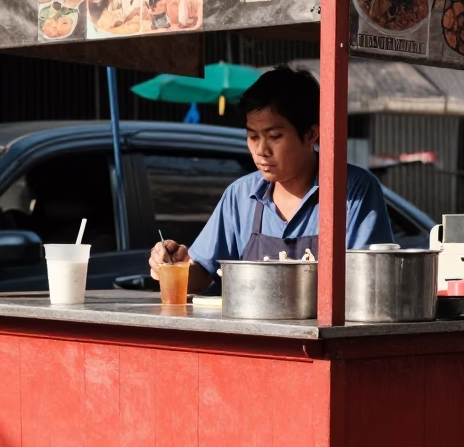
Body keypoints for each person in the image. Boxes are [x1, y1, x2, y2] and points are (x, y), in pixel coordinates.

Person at [149, 66, 394, 292]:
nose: (261, 150)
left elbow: (369, 283)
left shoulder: (353, 191)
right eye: (253, 137)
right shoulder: (239, 196)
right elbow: (202, 274)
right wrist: (174, 267)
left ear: (311, 134)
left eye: (274, 136)